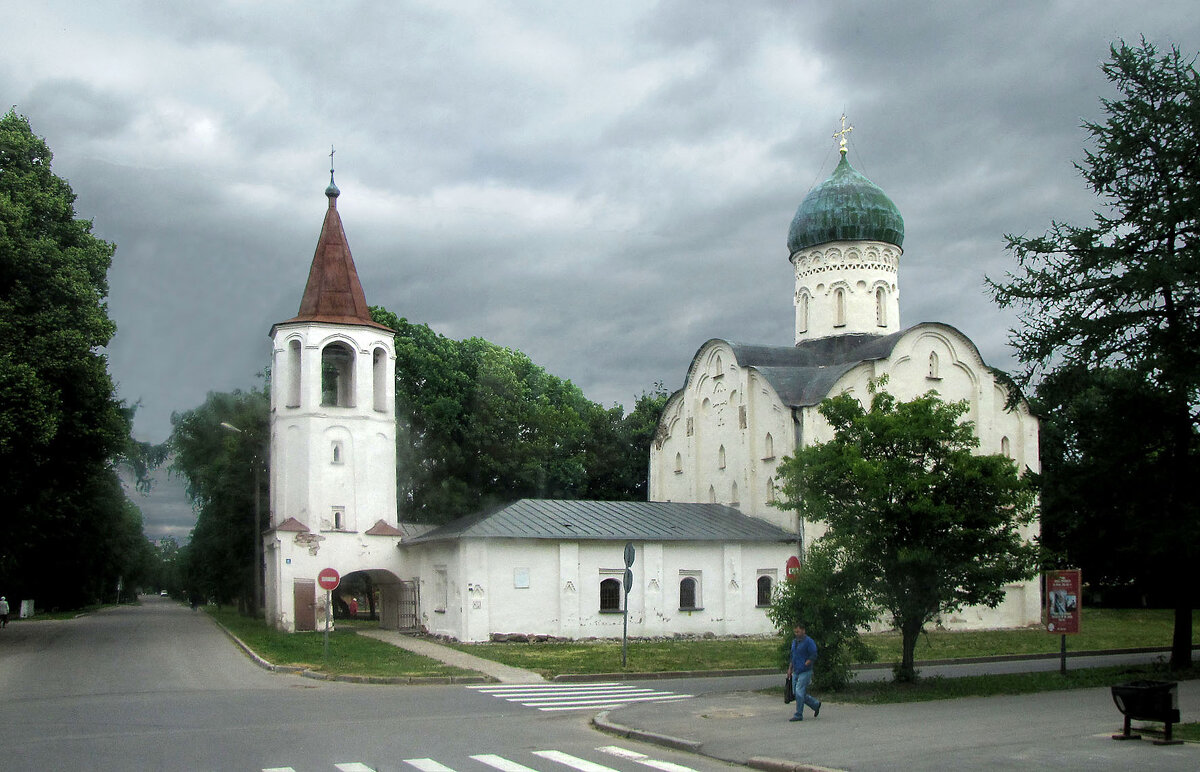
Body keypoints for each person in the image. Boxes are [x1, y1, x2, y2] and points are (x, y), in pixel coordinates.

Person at [786, 623, 821, 721]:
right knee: (796, 692)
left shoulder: (809, 642)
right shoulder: (794, 642)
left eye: (798, 631)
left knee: (799, 692)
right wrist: (790, 669)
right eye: (795, 632)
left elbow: (813, 654)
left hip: (805, 671)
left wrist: (807, 663)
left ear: (803, 631)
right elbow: (793, 656)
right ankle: (815, 704)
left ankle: (798, 714)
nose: (796, 633)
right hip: (796, 670)